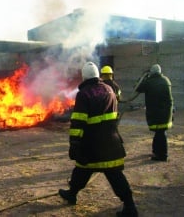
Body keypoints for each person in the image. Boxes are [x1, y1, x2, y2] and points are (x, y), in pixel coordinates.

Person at [59, 62, 138, 217]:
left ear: (84, 77)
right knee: (112, 175)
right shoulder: (110, 90)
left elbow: (78, 121)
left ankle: (72, 193)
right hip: (111, 142)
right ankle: (130, 206)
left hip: (91, 144)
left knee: (83, 168)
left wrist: (74, 143)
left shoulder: (84, 94)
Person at [128, 64, 173, 162]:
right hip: (167, 112)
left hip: (156, 113)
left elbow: (136, 87)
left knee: (160, 134)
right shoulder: (166, 80)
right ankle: (156, 152)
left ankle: (162, 156)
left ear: (151, 73)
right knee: (160, 132)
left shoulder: (149, 82)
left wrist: (143, 76)